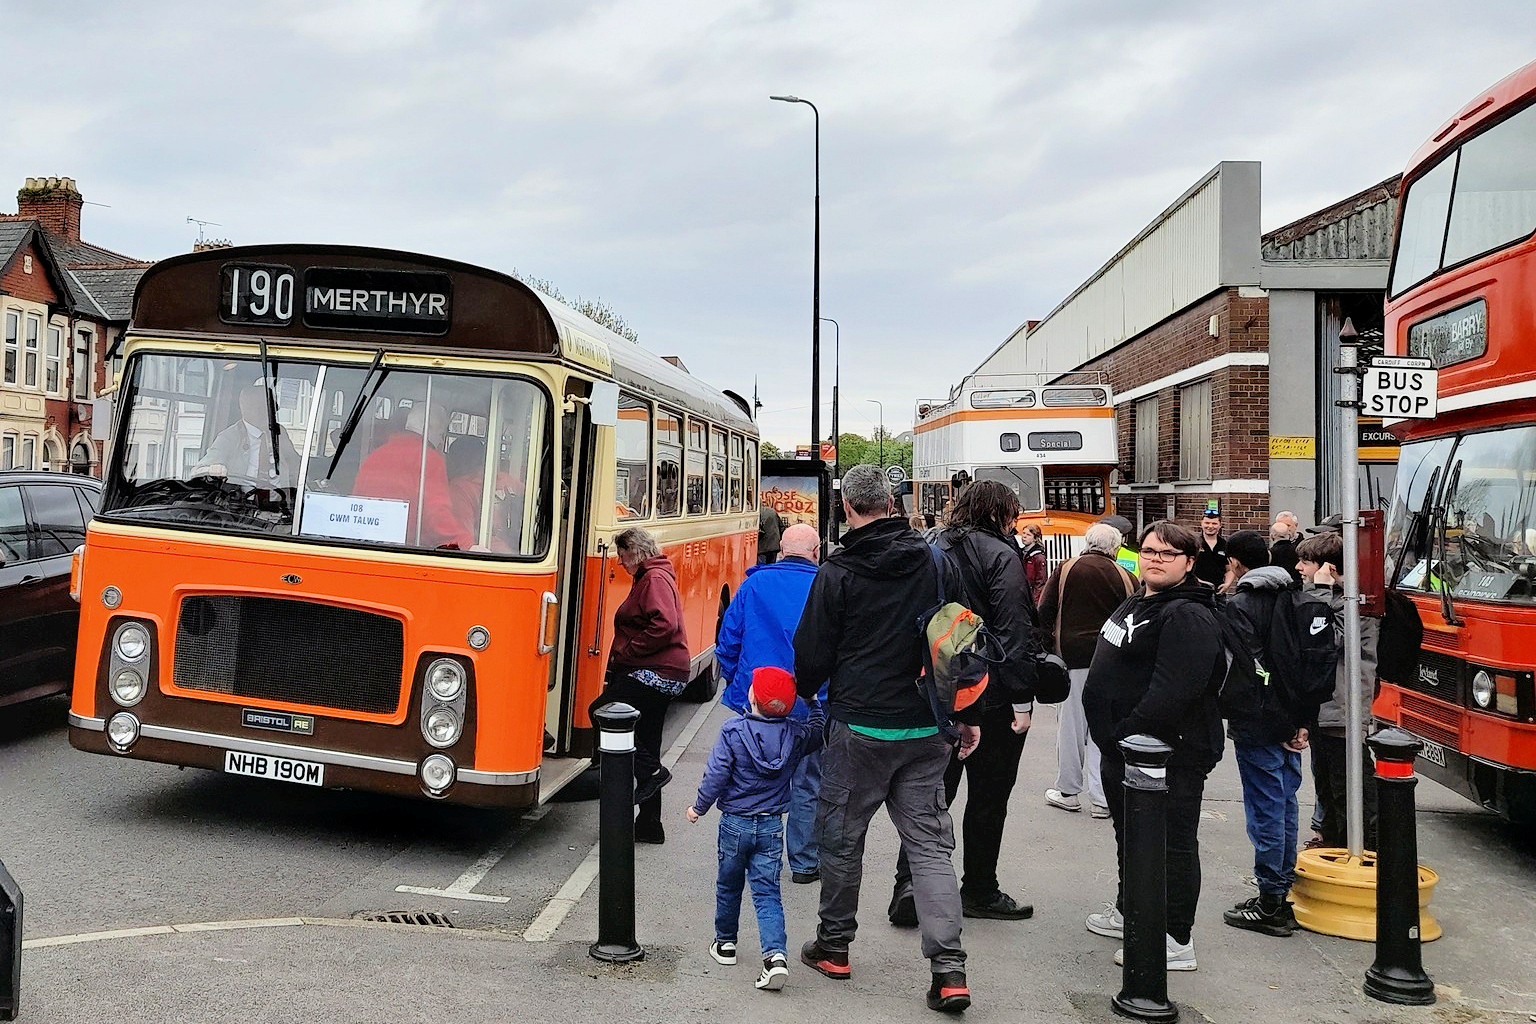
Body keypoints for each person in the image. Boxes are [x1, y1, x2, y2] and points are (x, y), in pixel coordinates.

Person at [793, 464, 978, 1014]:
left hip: (860, 727)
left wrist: (806, 692)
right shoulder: (937, 561)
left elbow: (811, 653)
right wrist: (966, 713)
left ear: (847, 507)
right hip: (927, 724)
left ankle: (834, 948)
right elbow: (959, 637)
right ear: (893, 504)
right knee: (930, 846)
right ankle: (949, 971)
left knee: (842, 838)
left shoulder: (838, 571)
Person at [890, 479, 1040, 926]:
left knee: (930, 795)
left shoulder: (931, 545)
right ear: (1000, 513)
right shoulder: (1002, 555)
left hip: (935, 690)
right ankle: (979, 888)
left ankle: (910, 884)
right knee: (989, 797)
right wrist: (1022, 700)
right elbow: (1014, 631)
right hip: (988, 692)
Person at [1082, 520, 1226, 972]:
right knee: (1132, 836)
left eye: (1167, 554)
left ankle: (1175, 937)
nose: (1155, 560)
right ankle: (1132, 911)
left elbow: (1174, 691)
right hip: (1122, 750)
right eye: (1148, 551)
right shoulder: (1141, 598)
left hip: (1168, 754)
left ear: (1189, 562)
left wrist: (1123, 733)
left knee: (1171, 843)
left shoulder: (1187, 614)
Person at [688, 666, 826, 992]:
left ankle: (725, 944)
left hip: (734, 824)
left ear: (752, 697)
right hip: (771, 828)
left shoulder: (733, 731)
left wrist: (699, 807)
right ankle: (775, 957)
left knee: (728, 885)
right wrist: (813, 701)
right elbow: (819, 729)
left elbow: (716, 774)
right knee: (767, 893)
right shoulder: (796, 735)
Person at [716, 523, 826, 883]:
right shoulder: (825, 585)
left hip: (759, 702)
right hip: (810, 701)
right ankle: (804, 862)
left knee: (754, 780)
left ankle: (755, 856)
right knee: (809, 782)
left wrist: (740, 684)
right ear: (816, 552)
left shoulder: (754, 585)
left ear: (781, 551)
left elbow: (728, 642)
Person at [1217, 529, 1312, 937]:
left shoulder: (1240, 605)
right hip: (1292, 716)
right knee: (1285, 803)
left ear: (1236, 563)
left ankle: (1271, 898)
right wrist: (1300, 722)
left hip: (1259, 719)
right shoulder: (1295, 596)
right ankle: (1279, 891)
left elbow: (1250, 668)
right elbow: (1303, 664)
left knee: (1265, 809)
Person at [592, 526, 689, 845]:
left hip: (655, 671)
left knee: (601, 712)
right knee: (647, 739)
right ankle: (650, 825)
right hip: (666, 671)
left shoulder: (653, 578)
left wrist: (629, 652)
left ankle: (653, 774)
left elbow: (665, 624)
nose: (619, 562)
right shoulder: (653, 575)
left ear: (636, 552)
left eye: (622, 555)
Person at [1037, 522, 1135, 819]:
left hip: (1071, 658)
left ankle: (1068, 791)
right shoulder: (1126, 577)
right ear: (1116, 548)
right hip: (1112, 660)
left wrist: (1044, 650)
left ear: (1087, 542)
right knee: (1102, 729)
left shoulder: (1066, 569)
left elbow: (1044, 611)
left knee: (1071, 727)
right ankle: (1103, 798)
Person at [1296, 531, 1380, 851]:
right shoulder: (1333, 598)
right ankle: (1332, 839)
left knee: (1349, 783)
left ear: (1328, 568)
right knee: (1326, 780)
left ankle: (1361, 845)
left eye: (1306, 562)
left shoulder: (1354, 603)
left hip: (1343, 706)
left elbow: (1327, 639)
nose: (1299, 568)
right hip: (1325, 706)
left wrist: (1319, 591)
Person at [352, 402, 472, 549]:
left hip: (366, 546)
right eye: (441, 435)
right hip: (406, 550)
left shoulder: (374, 456)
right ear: (428, 428)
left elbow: (358, 504)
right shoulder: (429, 459)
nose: (441, 441)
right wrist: (464, 542)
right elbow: (436, 516)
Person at [189, 380, 300, 489]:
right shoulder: (229, 437)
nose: (276, 411)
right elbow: (196, 472)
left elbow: (295, 464)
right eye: (270, 406)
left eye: (274, 406)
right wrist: (213, 469)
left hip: (281, 498)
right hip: (244, 499)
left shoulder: (279, 433)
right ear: (249, 409)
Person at [1192, 507, 1228, 589]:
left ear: (1220, 525)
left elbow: (1229, 569)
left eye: (1214, 523)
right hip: (1196, 589)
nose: (1210, 526)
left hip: (1218, 591)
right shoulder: (1193, 543)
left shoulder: (1224, 545)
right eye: (1207, 523)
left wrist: (1227, 584)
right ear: (1201, 523)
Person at [1017, 523, 1049, 605]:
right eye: (1023, 533)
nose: (1024, 536)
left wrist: (1035, 602)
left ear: (1035, 538)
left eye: (1028, 535)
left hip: (1031, 597)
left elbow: (1040, 582)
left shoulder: (1038, 557)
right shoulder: (1020, 553)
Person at [1269, 511, 1301, 583]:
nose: (1284, 528)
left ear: (1296, 525)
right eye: (1280, 525)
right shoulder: (1273, 550)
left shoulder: (1303, 546)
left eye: (1288, 525)